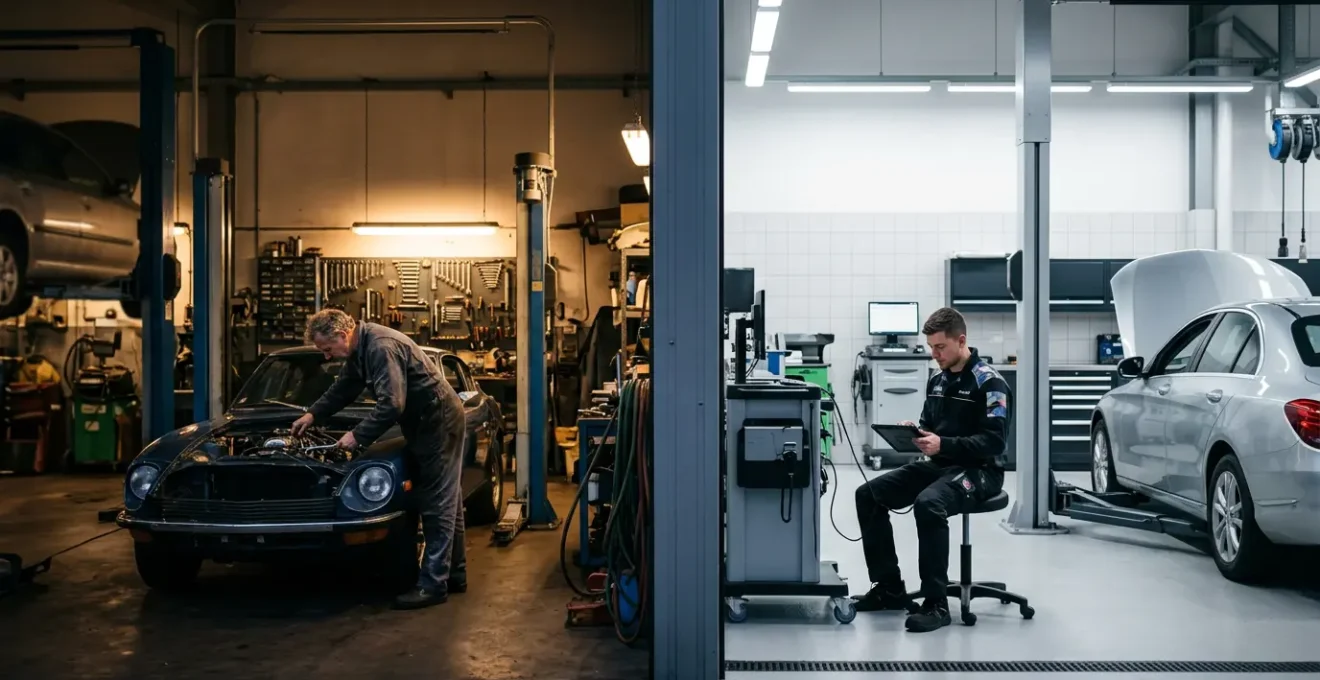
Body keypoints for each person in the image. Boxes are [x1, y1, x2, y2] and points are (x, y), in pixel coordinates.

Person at [290, 309, 468, 610]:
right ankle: (454, 574)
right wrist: (313, 413)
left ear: (343, 335)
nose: (327, 357)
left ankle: (433, 586)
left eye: (327, 349)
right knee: (447, 497)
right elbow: (343, 389)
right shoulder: (359, 350)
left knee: (437, 501)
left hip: (438, 421)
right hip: (425, 419)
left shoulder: (380, 346)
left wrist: (357, 436)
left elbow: (392, 404)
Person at [851, 307, 1011, 633]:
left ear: (961, 340)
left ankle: (937, 604)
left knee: (929, 503)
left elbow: (994, 443)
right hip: (939, 464)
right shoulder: (936, 380)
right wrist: (917, 434)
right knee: (868, 495)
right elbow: (931, 427)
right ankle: (890, 589)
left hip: (980, 471)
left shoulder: (991, 383)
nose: (934, 354)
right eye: (931, 347)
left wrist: (944, 445)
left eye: (940, 347)